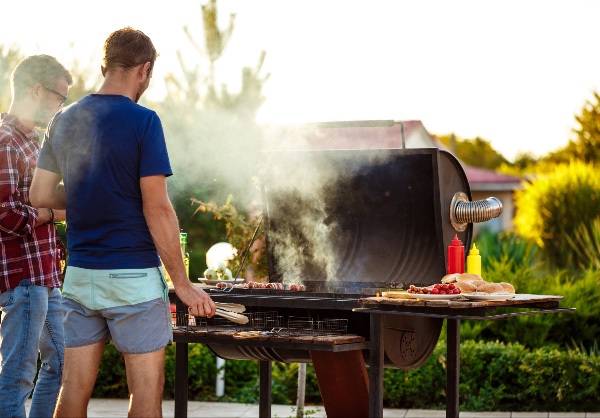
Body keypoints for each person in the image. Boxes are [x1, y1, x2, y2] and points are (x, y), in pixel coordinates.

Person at [29, 27, 216, 417]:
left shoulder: (62, 120)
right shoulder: (143, 121)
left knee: (73, 390)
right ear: (144, 70)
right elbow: (158, 208)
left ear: (104, 66)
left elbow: (40, 195)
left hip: (79, 277)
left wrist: (88, 197)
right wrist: (181, 284)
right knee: (145, 399)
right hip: (133, 279)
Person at [0, 55, 71, 417]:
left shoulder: (35, 142)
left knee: (62, 364)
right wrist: (54, 214)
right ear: (36, 90)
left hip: (46, 277)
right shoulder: (5, 140)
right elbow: (5, 215)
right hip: (23, 279)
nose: (62, 108)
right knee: (17, 378)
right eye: (60, 98)